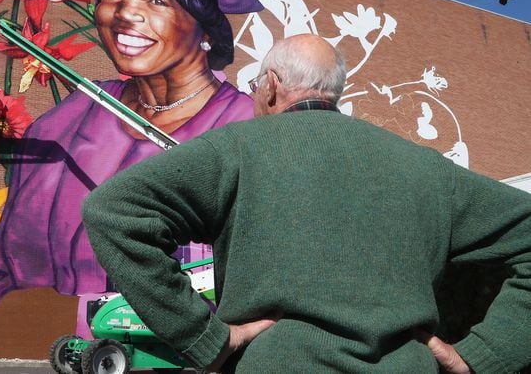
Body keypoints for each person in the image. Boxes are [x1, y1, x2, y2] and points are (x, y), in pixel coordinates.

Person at [81, 34, 531, 373]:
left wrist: (203, 337)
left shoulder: (237, 149)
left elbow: (113, 210)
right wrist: (484, 355)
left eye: (257, 85)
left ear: (272, 86)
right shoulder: (425, 167)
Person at [0, 0, 264, 356]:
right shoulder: (67, 120)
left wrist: (68, 317)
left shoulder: (250, 133)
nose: (124, 14)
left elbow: (249, 290)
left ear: (204, 26)